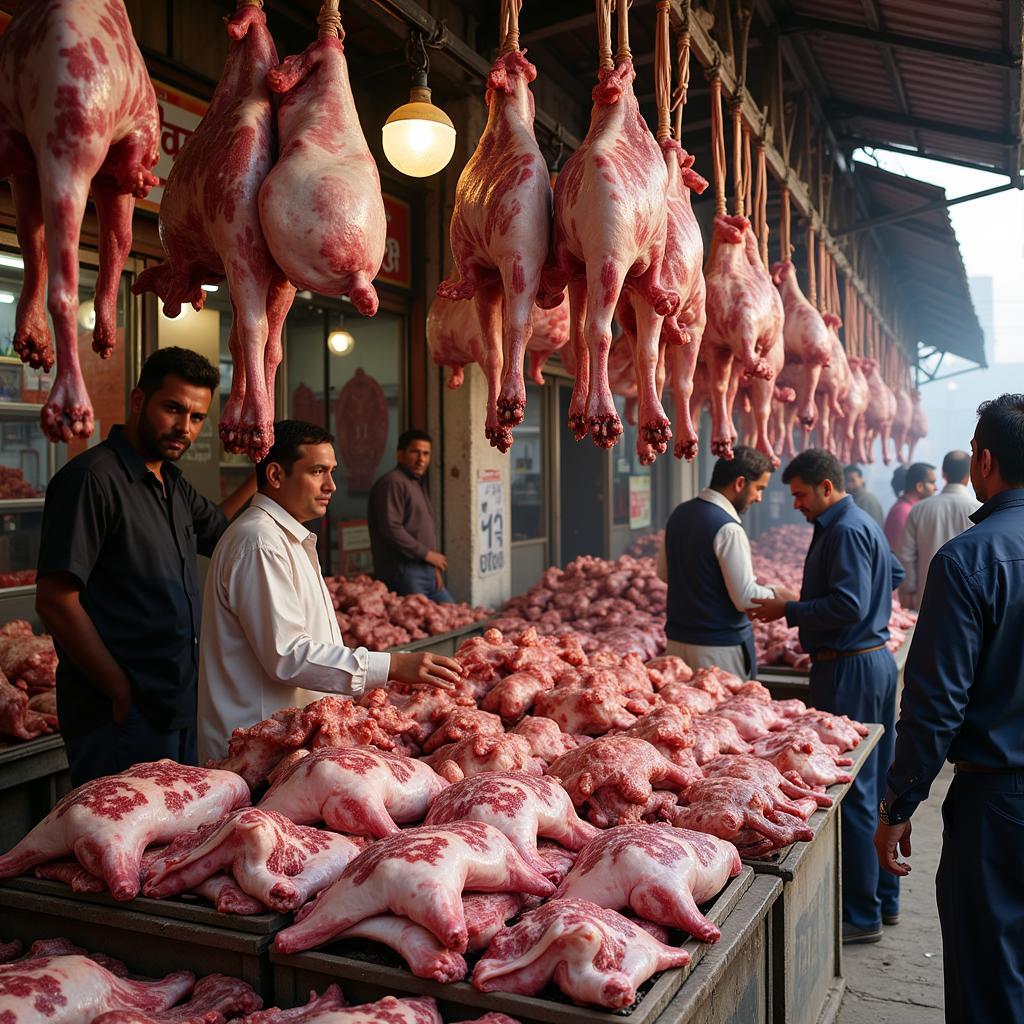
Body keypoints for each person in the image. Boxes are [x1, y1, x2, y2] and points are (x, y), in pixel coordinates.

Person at [35, 348, 255, 786]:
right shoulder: (91, 479)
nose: (184, 427)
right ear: (139, 401)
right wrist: (118, 689)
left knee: (168, 846)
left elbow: (220, 529)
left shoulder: (170, 483)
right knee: (114, 842)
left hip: (175, 706)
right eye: (173, 408)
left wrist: (262, 474)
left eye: (197, 418)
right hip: (120, 715)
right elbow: (56, 600)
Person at [875, 395, 1024, 1023]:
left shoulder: (969, 560)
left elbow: (935, 706)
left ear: (983, 460)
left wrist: (899, 805)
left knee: (992, 976)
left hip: (999, 807)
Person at [198, 421, 464, 763]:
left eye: (332, 471)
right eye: (317, 471)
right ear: (276, 475)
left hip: (284, 744)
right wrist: (391, 665)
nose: (331, 485)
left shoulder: (284, 538)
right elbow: (287, 654)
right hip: (254, 750)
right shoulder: (259, 541)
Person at [750, 448, 904, 944]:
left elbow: (848, 603)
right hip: (870, 659)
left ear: (826, 487)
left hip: (849, 668)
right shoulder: (858, 523)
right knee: (878, 781)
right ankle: (884, 899)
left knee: (855, 791)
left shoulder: (843, 528)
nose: (796, 504)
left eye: (799, 494)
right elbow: (893, 574)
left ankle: (861, 914)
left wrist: (788, 607)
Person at [656, 446, 776, 678]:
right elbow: (744, 597)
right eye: (759, 488)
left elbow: (664, 574)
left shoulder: (679, 514)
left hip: (676, 645)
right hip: (719, 651)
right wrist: (779, 595)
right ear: (740, 483)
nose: (759, 498)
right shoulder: (728, 527)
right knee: (720, 713)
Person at [368, 429, 452, 603]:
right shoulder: (393, 482)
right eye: (415, 452)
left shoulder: (415, 483)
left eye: (426, 454)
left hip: (427, 570)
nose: (421, 459)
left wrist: (433, 566)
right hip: (405, 572)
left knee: (453, 617)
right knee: (423, 626)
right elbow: (391, 528)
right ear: (400, 454)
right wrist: (428, 554)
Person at [895, 450, 980, 610]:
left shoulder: (919, 509)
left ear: (943, 474)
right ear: (968, 475)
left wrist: (912, 590)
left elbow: (905, 555)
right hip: (966, 603)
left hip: (926, 600)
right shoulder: (978, 510)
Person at [883, 461, 936, 548]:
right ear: (919, 486)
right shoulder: (904, 511)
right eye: (932, 482)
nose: (936, 488)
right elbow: (901, 553)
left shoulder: (910, 509)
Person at [843, 464, 884, 529]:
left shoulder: (866, 500)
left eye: (852, 480)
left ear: (861, 479)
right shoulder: (854, 499)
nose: (849, 484)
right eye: (846, 481)